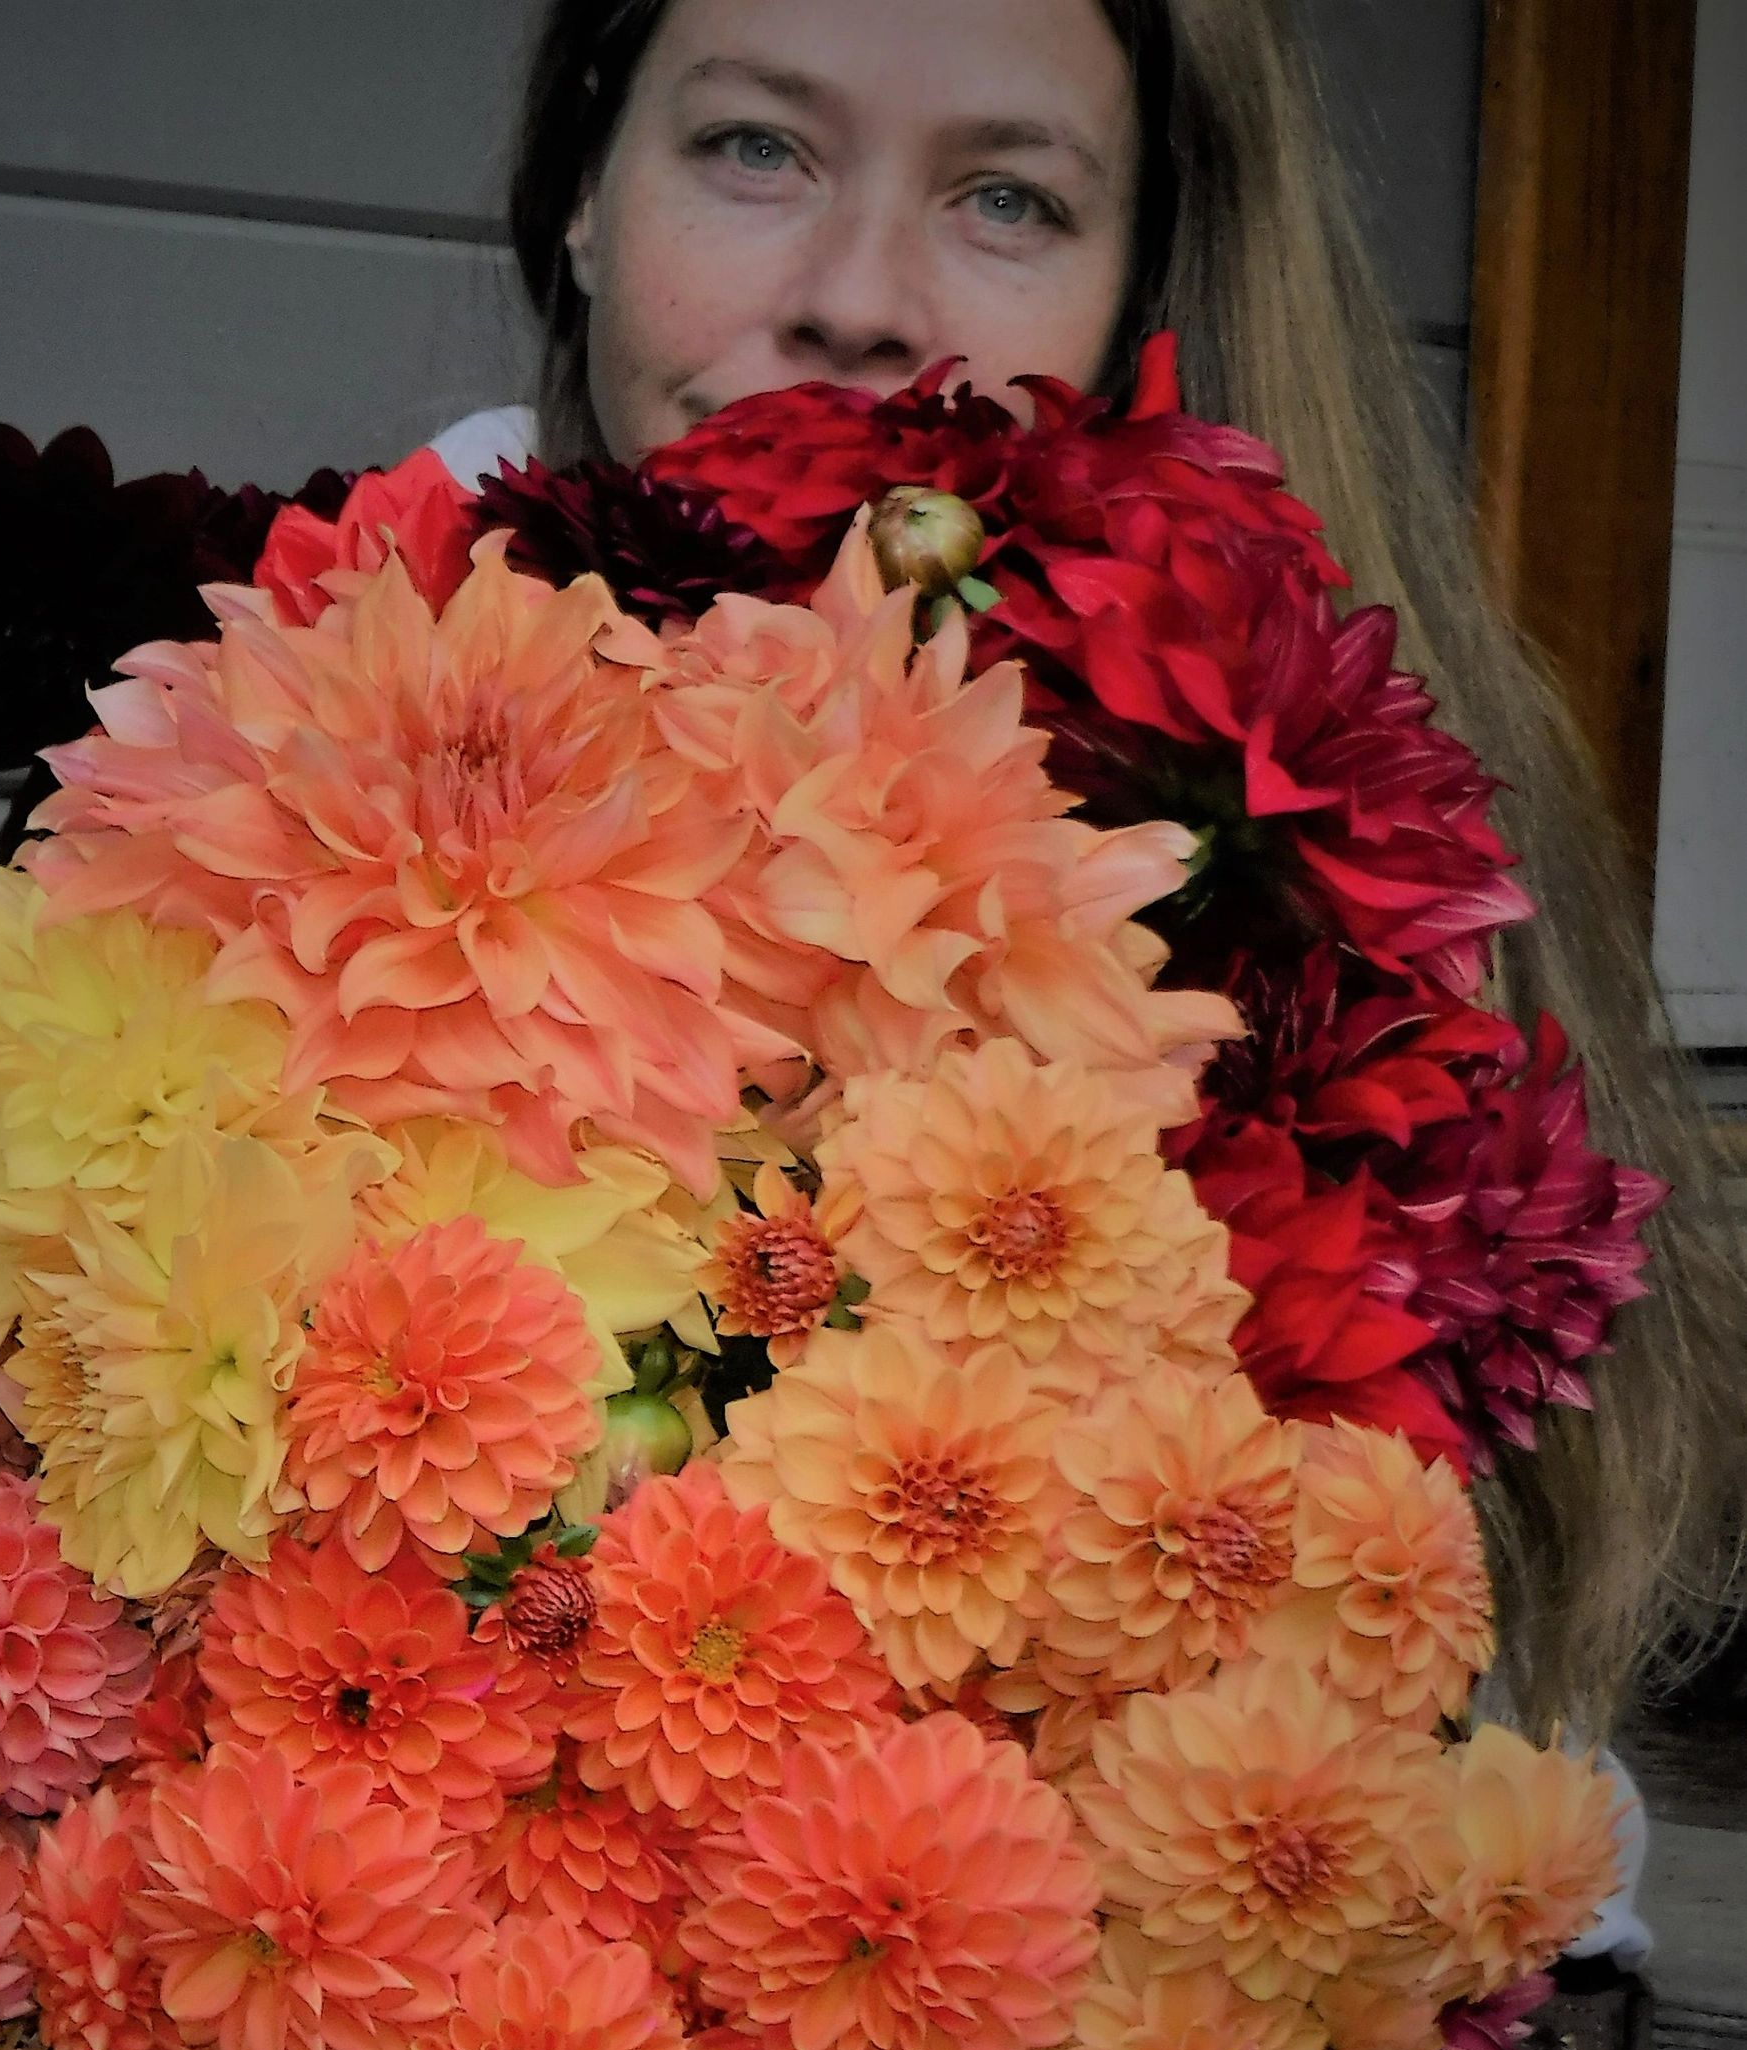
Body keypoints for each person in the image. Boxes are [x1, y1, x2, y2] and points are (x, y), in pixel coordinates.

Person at [431, 0, 1747, 1763]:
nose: (857, 296)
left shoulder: (1313, 881)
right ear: (583, 185)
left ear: (1145, 290)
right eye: (757, 146)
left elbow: (1453, 1763)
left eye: (1007, 200)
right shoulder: (320, 676)